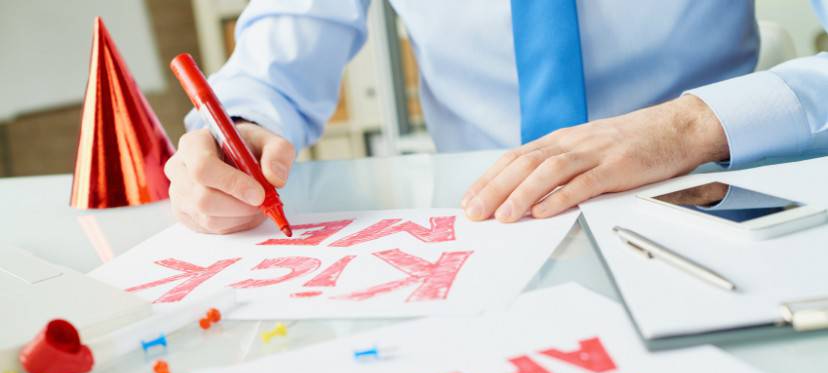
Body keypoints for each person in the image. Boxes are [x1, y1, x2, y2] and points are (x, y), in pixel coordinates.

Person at [165, 1, 828, 235]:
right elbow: (279, 56)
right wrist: (239, 128)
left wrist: (689, 126)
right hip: (487, 226)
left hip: (719, 206)